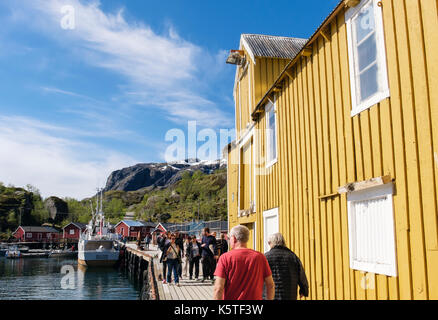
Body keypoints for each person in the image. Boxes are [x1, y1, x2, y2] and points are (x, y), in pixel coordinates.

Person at [213, 225, 275, 300]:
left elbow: (218, 288)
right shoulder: (260, 257)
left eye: (229, 238)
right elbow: (270, 285)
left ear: (234, 238)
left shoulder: (225, 258)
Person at [264, 233, 309, 300]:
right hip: (289, 295)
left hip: (270, 295)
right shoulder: (292, 256)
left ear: (272, 243)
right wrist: (303, 289)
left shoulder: (265, 257)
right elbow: (301, 274)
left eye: (269, 243)